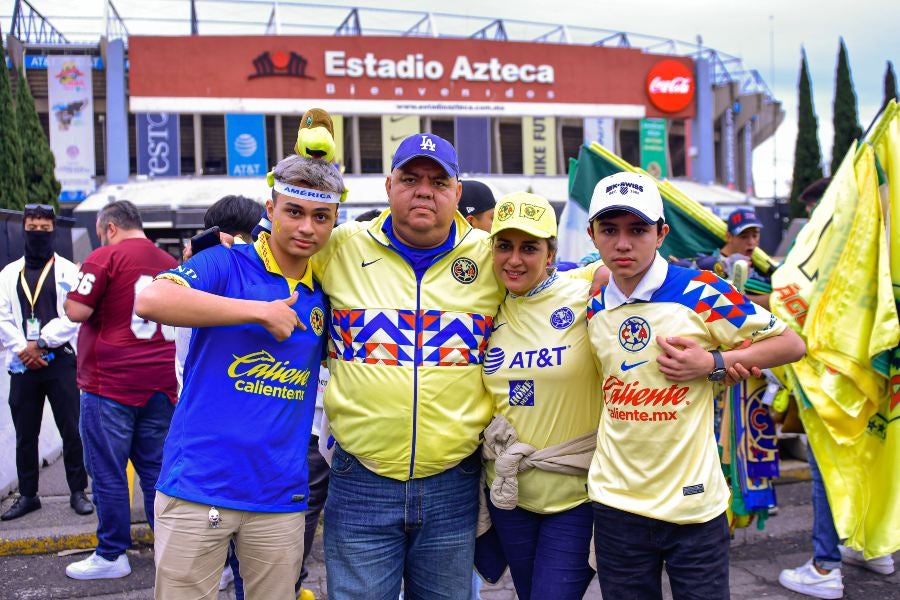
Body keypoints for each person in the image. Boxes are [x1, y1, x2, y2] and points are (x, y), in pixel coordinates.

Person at [584, 171, 806, 599]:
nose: (623, 243)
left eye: (638, 229)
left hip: (694, 507)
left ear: (662, 233)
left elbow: (791, 343)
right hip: (616, 506)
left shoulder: (700, 291)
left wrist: (715, 361)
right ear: (593, 235)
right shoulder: (591, 302)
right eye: (609, 230)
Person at [135, 154, 342, 599]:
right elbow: (152, 300)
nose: (306, 227)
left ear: (333, 222)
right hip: (197, 486)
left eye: (320, 216)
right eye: (294, 212)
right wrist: (257, 311)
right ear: (271, 210)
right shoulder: (225, 264)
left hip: (279, 494)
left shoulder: (326, 293)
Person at [312, 132, 506, 599]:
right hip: (360, 479)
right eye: (411, 178)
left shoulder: (491, 256)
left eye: (439, 181)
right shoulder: (340, 247)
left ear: (458, 193)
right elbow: (272, 254)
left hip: (453, 483)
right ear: (388, 184)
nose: (424, 190)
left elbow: (562, 287)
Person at [777, 176, 894, 600]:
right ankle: (873, 546)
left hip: (834, 377)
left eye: (814, 213)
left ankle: (826, 565)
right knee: (871, 458)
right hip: (878, 373)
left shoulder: (835, 246)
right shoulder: (880, 241)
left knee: (828, 468)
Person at [481, 192, 599, 599]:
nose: (514, 259)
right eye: (504, 246)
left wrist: (718, 360)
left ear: (551, 253)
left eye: (529, 248)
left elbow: (643, 266)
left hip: (575, 496)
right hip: (509, 494)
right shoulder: (484, 303)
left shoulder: (583, 291)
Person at [63, 200, 178, 580]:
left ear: (110, 227)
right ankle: (172, 552)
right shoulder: (169, 262)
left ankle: (112, 553)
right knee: (157, 472)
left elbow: (76, 311)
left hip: (108, 383)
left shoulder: (105, 257)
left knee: (109, 472)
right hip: (159, 381)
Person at [0, 203, 92, 521]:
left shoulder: (69, 270)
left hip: (60, 361)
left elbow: (75, 315)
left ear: (54, 231)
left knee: (71, 429)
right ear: (23, 229)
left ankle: (78, 491)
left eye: (45, 229)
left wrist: (41, 342)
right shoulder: (9, 274)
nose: (38, 233)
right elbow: (3, 317)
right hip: (23, 365)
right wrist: (23, 349)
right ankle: (28, 495)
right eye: (33, 228)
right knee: (26, 433)